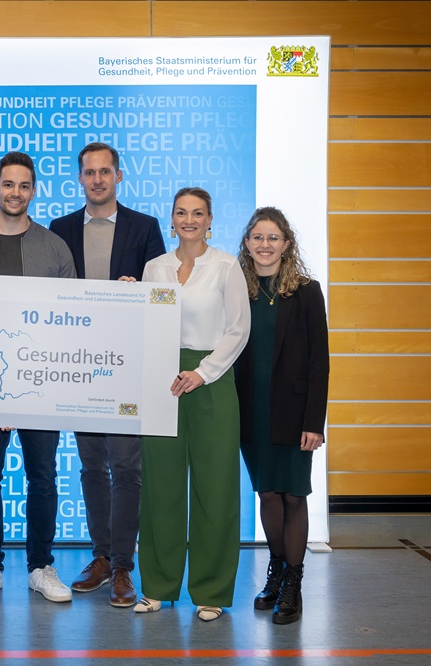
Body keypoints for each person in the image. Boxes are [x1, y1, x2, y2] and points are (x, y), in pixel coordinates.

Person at [0, 151, 77, 604]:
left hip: (42, 386)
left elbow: (70, 316)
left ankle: (40, 566)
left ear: (34, 191)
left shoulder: (54, 247)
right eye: (8, 184)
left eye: (24, 186)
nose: (15, 193)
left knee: (43, 476)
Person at [49, 142, 165, 607]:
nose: (97, 180)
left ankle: (122, 566)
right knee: (92, 467)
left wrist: (140, 291)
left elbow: (163, 290)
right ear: (80, 178)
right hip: (78, 368)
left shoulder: (145, 227)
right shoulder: (59, 230)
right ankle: (100, 559)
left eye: (105, 172)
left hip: (126, 368)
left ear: (119, 176)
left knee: (126, 469)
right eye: (89, 173)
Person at [134, 187, 250, 622]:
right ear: (172, 219)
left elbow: (238, 330)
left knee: (215, 489)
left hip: (212, 382)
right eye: (181, 212)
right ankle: (159, 587)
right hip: (163, 380)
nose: (189, 220)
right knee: (160, 487)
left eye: (197, 213)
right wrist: (129, 297)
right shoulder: (154, 267)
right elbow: (145, 323)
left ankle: (211, 590)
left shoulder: (225, 266)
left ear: (209, 219)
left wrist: (203, 372)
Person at [234, 206, 329, 625]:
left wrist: (315, 422)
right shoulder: (236, 288)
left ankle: (293, 582)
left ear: (286, 244)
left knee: (293, 495)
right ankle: (275, 572)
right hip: (249, 411)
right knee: (267, 494)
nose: (265, 245)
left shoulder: (306, 291)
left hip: (294, 413)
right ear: (247, 243)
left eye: (273, 238)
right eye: (258, 237)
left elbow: (319, 362)